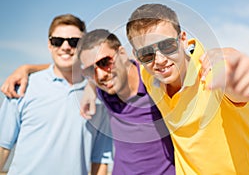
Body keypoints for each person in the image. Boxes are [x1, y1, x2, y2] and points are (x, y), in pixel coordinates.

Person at [1, 29, 176, 174]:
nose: (100, 75)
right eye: (91, 69)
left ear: (122, 53)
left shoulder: (155, 82)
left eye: (105, 62)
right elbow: (65, 69)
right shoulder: (103, 90)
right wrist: (26, 68)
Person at [125, 3, 249, 174]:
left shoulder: (213, 73)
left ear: (183, 40)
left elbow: (244, 89)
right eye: (147, 54)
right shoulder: (149, 74)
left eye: (167, 46)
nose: (159, 60)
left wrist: (243, 68)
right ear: (138, 56)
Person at [0, 14, 112, 175]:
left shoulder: (99, 99)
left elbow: (100, 160)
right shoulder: (23, 87)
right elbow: (3, 147)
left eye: (74, 42)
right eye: (58, 41)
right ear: (49, 45)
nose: (65, 47)